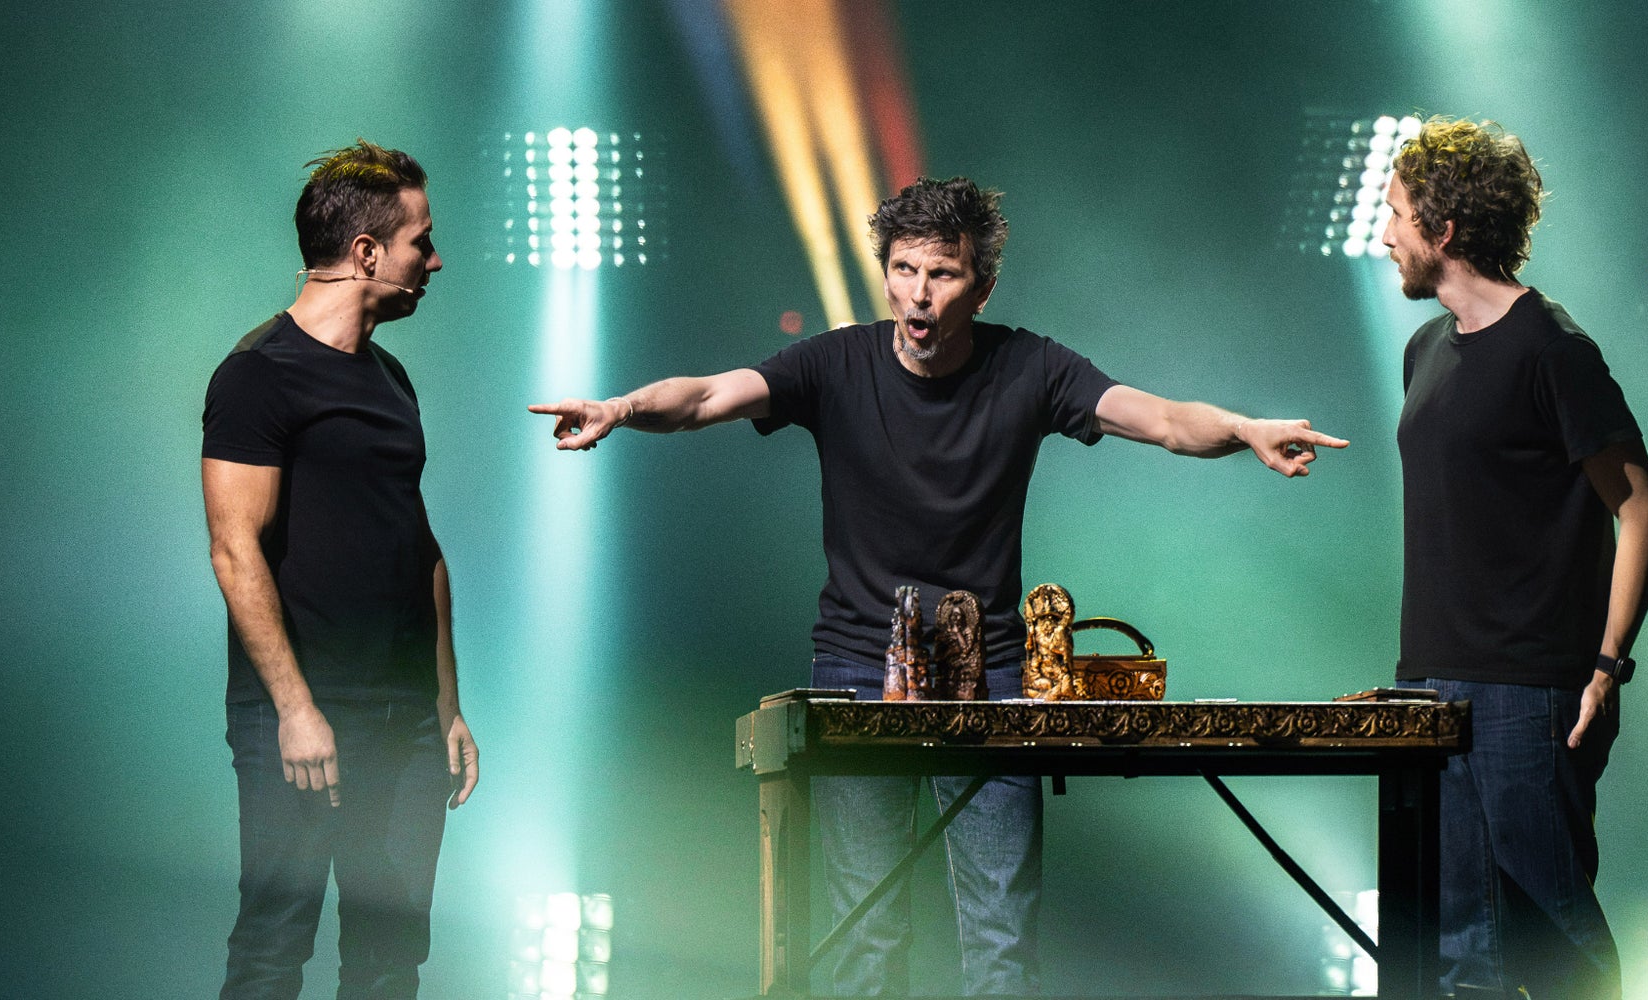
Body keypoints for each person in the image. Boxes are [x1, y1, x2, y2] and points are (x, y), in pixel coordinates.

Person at [530, 176, 1348, 995]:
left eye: (943, 274)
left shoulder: (1031, 365)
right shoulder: (833, 361)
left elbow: (1165, 420)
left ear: (981, 286)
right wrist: (621, 406)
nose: (918, 294)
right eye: (903, 269)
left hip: (991, 679)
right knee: (865, 930)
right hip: (859, 670)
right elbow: (708, 395)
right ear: (885, 272)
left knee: (1000, 929)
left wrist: (1242, 429)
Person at [1381, 119, 1648, 999]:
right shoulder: (1424, 350)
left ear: (1446, 229)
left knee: (1555, 941)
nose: (1384, 234)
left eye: (1395, 214)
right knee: (1461, 951)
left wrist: (1607, 665)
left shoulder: (1552, 348)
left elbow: (1642, 506)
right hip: (1431, 682)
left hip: (1528, 693)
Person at [202, 139, 478, 999]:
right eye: (419, 242)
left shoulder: (392, 378)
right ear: (366, 254)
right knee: (275, 945)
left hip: (406, 725)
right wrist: (294, 710)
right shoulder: (258, 374)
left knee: (392, 959)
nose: (434, 260)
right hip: (305, 718)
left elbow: (419, 544)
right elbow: (234, 547)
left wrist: (448, 710)